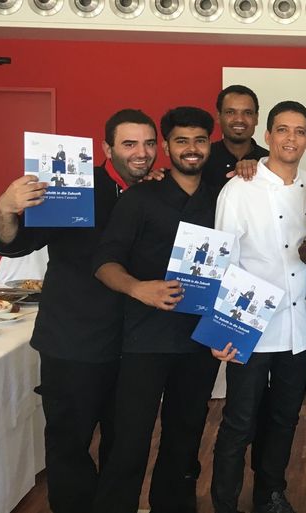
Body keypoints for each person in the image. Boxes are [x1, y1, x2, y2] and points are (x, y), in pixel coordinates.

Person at [0, 108, 157, 513]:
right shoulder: (73, 188)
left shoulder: (157, 191)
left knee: (127, 446)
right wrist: (5, 208)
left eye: (149, 143)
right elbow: (16, 244)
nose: (141, 152)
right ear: (106, 148)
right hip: (73, 344)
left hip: (136, 345)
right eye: (129, 143)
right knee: (69, 445)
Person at [91, 106, 220, 513]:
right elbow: (104, 262)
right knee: (129, 441)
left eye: (200, 140)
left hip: (199, 340)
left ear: (209, 145)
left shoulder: (221, 198)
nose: (192, 148)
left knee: (185, 440)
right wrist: (138, 288)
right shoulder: (140, 198)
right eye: (182, 141)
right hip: (144, 340)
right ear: (166, 147)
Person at [210, 100, 306, 513]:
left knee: (285, 418)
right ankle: (224, 502)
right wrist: (222, 331)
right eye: (283, 130)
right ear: (268, 135)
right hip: (250, 324)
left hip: (299, 325)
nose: (291, 138)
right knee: (239, 421)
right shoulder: (239, 189)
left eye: (300, 131)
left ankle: (270, 493)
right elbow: (224, 261)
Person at [203, 84, 271, 188]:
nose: (239, 119)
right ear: (218, 116)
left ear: (256, 118)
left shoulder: (268, 162)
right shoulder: (203, 159)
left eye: (247, 113)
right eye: (230, 112)